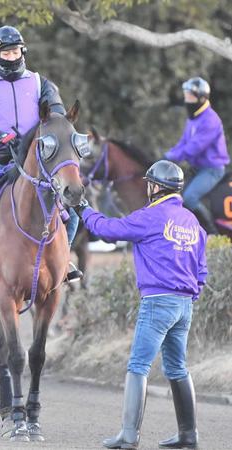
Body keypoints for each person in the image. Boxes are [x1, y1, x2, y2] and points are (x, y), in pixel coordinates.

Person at [74, 160, 207, 449]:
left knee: (138, 366)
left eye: (150, 183)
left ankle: (129, 435)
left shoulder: (151, 216)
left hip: (158, 301)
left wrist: (83, 208)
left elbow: (108, 230)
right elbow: (202, 268)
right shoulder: (192, 220)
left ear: (157, 187)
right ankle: (188, 435)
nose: (148, 188)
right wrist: (191, 293)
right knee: (178, 368)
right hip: (184, 305)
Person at [0, 25, 81, 281]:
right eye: (6, 53)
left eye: (16, 51)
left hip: (37, 163)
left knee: (71, 214)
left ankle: (65, 261)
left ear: (23, 51)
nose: (12, 57)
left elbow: (57, 116)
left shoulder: (41, 83)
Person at [164, 77, 230, 235]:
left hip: (211, 169)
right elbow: (183, 143)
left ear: (202, 98)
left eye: (191, 97)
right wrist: (166, 155)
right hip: (197, 168)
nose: (187, 100)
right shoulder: (193, 119)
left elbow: (194, 148)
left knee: (189, 197)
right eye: (186, 96)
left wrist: (171, 157)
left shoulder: (211, 120)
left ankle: (212, 233)